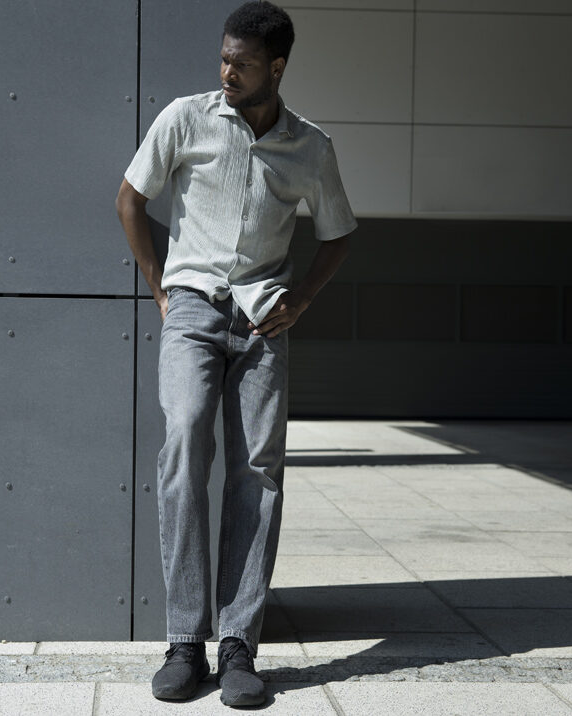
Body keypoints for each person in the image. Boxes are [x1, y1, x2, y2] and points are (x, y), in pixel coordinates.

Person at [115, 1, 355, 707]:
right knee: (185, 439)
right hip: (191, 306)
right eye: (224, 58)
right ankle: (184, 643)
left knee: (258, 469)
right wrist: (161, 289)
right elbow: (130, 198)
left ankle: (239, 646)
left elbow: (339, 232)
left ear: (275, 68)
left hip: (262, 319)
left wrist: (300, 301)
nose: (226, 72)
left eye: (241, 64)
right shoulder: (185, 118)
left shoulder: (310, 147)